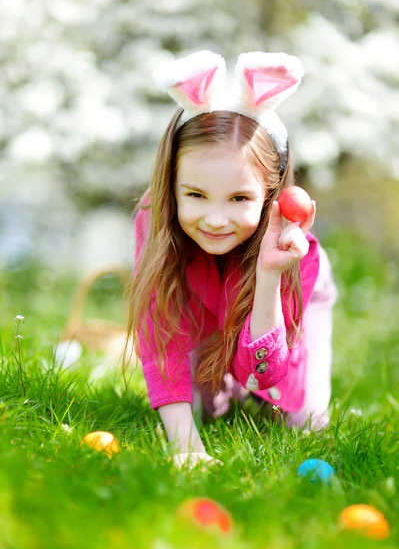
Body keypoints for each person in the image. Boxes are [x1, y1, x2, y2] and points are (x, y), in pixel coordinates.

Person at [125, 50, 338, 467]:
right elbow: (161, 338)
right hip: (200, 292)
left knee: (302, 420)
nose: (216, 220)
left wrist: (269, 274)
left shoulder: (299, 253)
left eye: (240, 198)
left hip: (287, 297)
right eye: (196, 195)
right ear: (171, 188)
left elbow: (265, 373)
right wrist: (186, 448)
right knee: (202, 408)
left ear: (271, 194)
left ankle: (240, 363)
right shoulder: (155, 220)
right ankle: (223, 369)